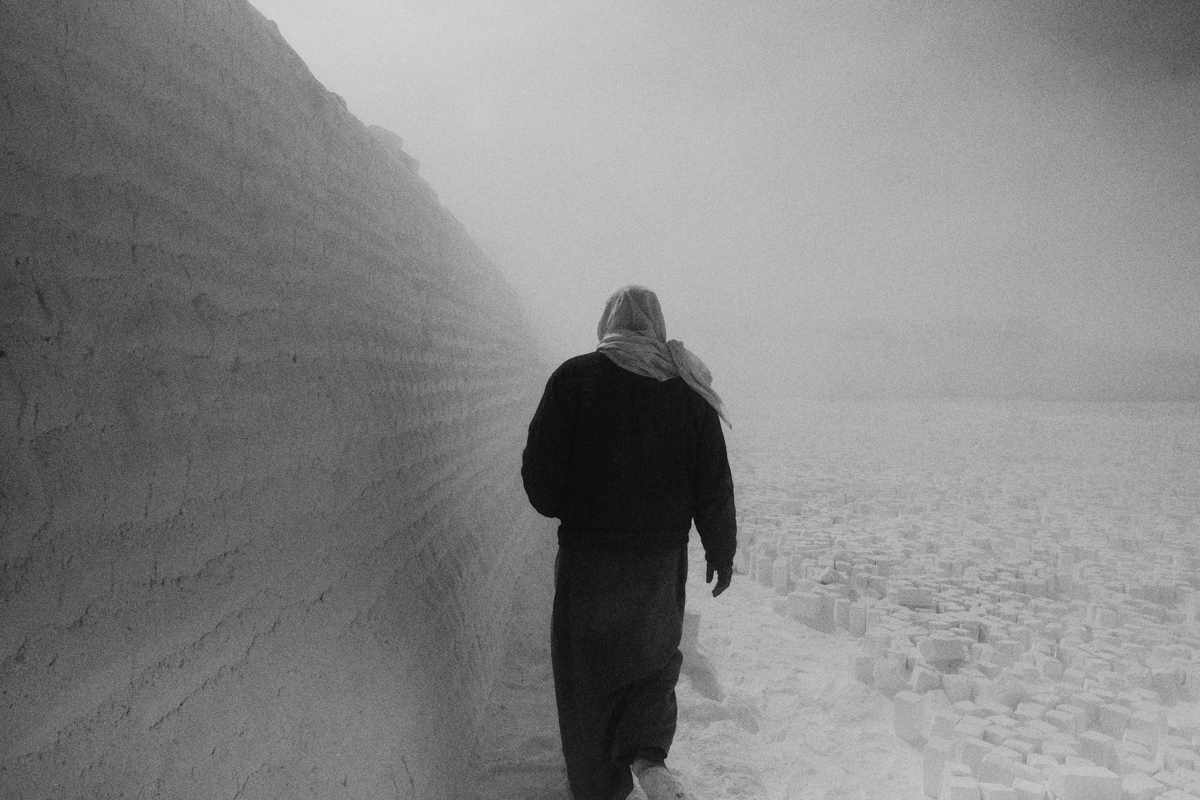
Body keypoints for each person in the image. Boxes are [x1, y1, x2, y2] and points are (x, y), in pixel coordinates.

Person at [521, 285, 737, 800]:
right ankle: (648, 755)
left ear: (608, 322)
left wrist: (574, 506)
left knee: (587, 678)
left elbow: (540, 479)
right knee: (651, 664)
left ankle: (598, 786)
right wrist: (720, 549)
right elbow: (713, 482)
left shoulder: (574, 379)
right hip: (658, 565)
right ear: (657, 326)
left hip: (589, 563)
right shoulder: (688, 392)